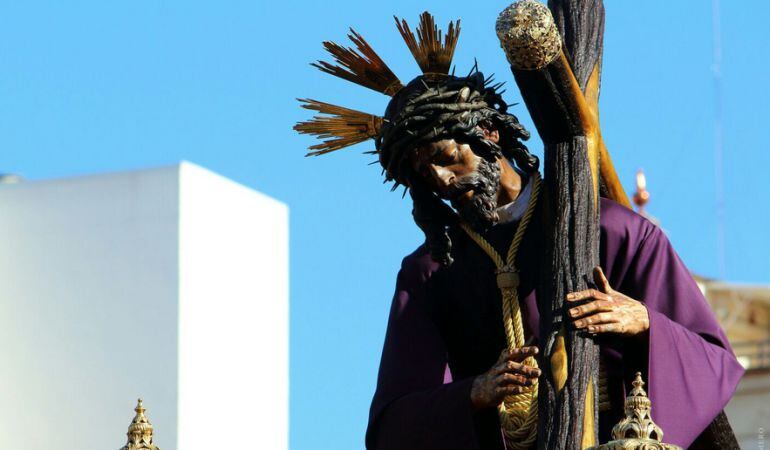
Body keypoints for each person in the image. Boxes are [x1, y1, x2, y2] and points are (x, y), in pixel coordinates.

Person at [294, 12, 744, 450]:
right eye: (423, 174)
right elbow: (394, 426)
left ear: (487, 131)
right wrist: (474, 393)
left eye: (446, 157)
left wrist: (644, 323)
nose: (442, 180)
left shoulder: (614, 231)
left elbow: (713, 359)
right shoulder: (431, 273)